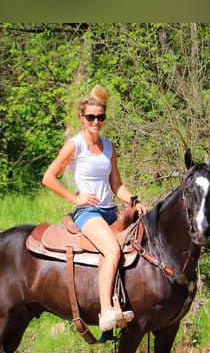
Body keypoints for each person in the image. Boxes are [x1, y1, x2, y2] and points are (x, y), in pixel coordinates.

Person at [42, 85, 147, 332]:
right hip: (88, 214)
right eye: (90, 117)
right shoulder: (74, 145)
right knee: (111, 249)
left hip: (111, 211)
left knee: (142, 245)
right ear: (81, 118)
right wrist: (74, 198)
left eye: (100, 117)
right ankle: (105, 312)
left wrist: (134, 201)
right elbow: (49, 177)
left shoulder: (109, 147)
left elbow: (117, 184)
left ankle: (129, 302)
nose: (95, 122)